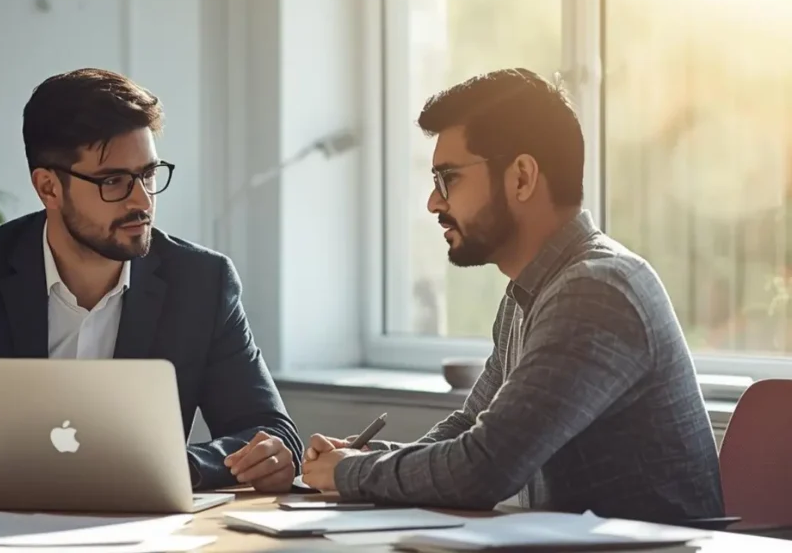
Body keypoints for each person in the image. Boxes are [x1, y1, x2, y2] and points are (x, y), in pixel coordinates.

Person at [0, 68, 303, 495]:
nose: (141, 200)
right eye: (113, 181)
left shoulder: (202, 283)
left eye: (147, 174)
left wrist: (184, 467)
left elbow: (271, 432)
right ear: (48, 187)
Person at [302, 68, 724, 522]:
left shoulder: (597, 290)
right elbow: (469, 430)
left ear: (522, 177)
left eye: (448, 178)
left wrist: (353, 472)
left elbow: (483, 469)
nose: (433, 202)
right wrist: (358, 459)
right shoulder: (529, 293)